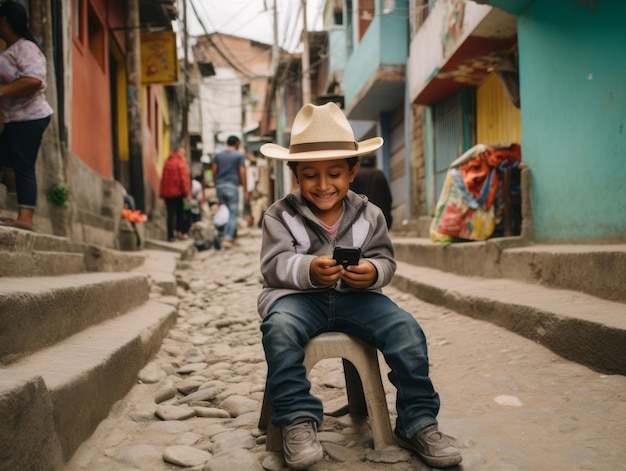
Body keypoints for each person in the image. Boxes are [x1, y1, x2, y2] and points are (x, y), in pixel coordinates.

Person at [258, 103, 462, 470]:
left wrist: (372, 272)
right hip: (298, 300)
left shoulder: (370, 214)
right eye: (310, 176)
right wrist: (308, 269)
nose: (322, 186)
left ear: (353, 172)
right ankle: (296, 420)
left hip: (358, 301)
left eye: (334, 173)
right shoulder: (280, 215)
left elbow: (386, 260)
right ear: (294, 174)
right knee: (279, 329)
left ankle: (418, 422)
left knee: (406, 330)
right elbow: (272, 266)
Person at [0, 1, 53, 232]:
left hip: (29, 118)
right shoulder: (10, 50)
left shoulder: (25, 47)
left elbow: (34, 80)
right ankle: (23, 216)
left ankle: (26, 218)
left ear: (3, 20)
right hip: (16, 118)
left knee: (23, 166)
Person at [212, 135, 248, 249]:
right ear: (237, 143)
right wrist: (245, 189)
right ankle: (227, 238)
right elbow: (242, 172)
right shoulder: (239, 156)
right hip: (232, 187)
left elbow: (214, 170)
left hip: (220, 186)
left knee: (224, 211)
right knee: (232, 213)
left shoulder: (218, 155)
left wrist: (216, 183)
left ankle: (228, 235)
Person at [350, 154, 393, 229]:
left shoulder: (356, 175)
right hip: (378, 215)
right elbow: (388, 198)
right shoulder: (379, 174)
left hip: (360, 216)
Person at [159, 146, 190, 242]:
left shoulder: (167, 162)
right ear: (178, 152)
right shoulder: (181, 163)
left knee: (170, 214)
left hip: (167, 194)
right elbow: (183, 180)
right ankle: (180, 232)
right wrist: (187, 193)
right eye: (183, 153)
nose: (183, 155)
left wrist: (162, 193)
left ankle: (170, 236)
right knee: (180, 213)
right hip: (178, 193)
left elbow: (163, 179)